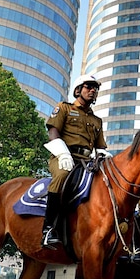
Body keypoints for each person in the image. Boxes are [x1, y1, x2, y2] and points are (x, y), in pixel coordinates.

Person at [42, 74, 109, 249]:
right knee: (63, 176)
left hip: (87, 162)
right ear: (78, 90)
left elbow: (100, 146)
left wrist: (107, 159)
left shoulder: (97, 120)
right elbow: (53, 132)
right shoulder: (64, 108)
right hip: (63, 156)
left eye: (95, 88)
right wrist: (63, 154)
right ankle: (48, 229)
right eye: (89, 86)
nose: (92, 90)